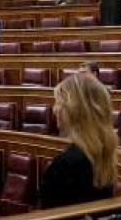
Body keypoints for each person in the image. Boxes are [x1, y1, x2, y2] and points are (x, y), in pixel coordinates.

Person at [40, 73, 117, 209]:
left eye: (58, 102)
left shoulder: (63, 166)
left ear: (73, 110)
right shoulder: (102, 155)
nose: (54, 109)